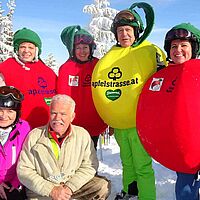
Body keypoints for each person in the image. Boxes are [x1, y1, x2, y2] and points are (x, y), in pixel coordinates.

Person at [91, 2, 166, 200]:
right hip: (120, 124)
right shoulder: (110, 56)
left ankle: (147, 197)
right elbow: (101, 84)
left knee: (142, 165)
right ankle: (130, 191)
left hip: (140, 122)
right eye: (121, 30)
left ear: (137, 31)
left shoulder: (149, 50)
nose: (125, 34)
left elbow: (163, 81)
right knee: (127, 161)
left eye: (129, 30)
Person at [17, 94, 110, 200]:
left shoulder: (82, 135)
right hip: (42, 193)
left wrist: (70, 187)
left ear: (72, 117)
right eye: (54, 113)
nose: (57, 118)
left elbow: (89, 166)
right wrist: (50, 190)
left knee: (102, 186)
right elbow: (24, 170)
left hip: (71, 189)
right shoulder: (34, 135)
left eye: (63, 114)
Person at [164, 22, 200, 200]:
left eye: (184, 45)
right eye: (174, 46)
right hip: (183, 147)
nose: (178, 50)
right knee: (185, 191)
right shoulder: (163, 76)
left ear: (193, 48)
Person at [57, 25, 107, 149]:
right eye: (78, 48)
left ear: (91, 49)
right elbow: (60, 97)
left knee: (89, 160)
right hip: (71, 125)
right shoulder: (66, 68)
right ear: (73, 50)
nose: (82, 51)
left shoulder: (98, 66)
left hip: (93, 123)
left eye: (85, 47)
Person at [0, 27, 57, 129]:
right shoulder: (6, 67)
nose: (26, 51)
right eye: (22, 47)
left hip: (43, 129)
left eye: (30, 47)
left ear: (36, 50)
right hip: (16, 130)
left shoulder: (47, 72)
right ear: (17, 49)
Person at [0, 86, 30, 200]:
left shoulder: (23, 128)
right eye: (0, 110)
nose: (4, 116)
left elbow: (27, 158)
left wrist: (17, 181)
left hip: (14, 183)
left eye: (10, 111)